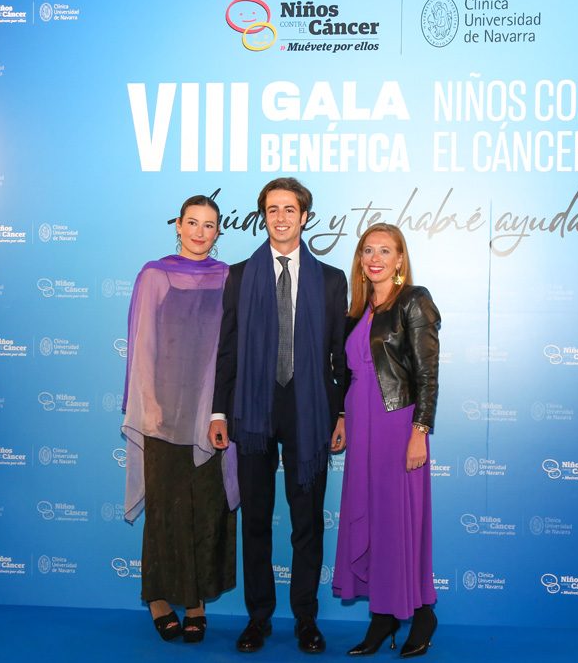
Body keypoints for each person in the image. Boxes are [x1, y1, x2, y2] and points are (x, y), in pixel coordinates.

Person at [209, 177, 347, 654]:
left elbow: (339, 356)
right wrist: (219, 411)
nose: (281, 218)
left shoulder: (330, 280)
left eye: (290, 209)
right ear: (263, 217)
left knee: (307, 521)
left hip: (309, 409)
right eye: (272, 210)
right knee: (256, 519)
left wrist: (340, 413)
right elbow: (227, 349)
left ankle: (306, 619)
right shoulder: (239, 276)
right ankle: (258, 618)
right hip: (252, 408)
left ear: (304, 217)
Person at [121, 192, 239, 644]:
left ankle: (195, 602)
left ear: (218, 231)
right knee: (166, 510)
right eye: (193, 222)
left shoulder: (228, 277)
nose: (199, 232)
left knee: (206, 510)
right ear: (178, 225)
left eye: (209, 225)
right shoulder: (154, 274)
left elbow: (232, 348)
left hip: (212, 415)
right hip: (163, 413)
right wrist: (147, 404)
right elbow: (142, 343)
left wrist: (223, 409)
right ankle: (157, 598)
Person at [332, 223, 441, 658]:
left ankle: (423, 613)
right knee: (370, 517)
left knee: (398, 521)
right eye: (367, 250)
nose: (374, 258)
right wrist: (342, 416)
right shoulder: (356, 311)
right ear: (360, 260)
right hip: (361, 424)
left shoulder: (414, 300)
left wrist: (420, 431)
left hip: (398, 424)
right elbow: (348, 373)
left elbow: (428, 375)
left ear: (399, 259)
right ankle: (382, 616)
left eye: (384, 250)